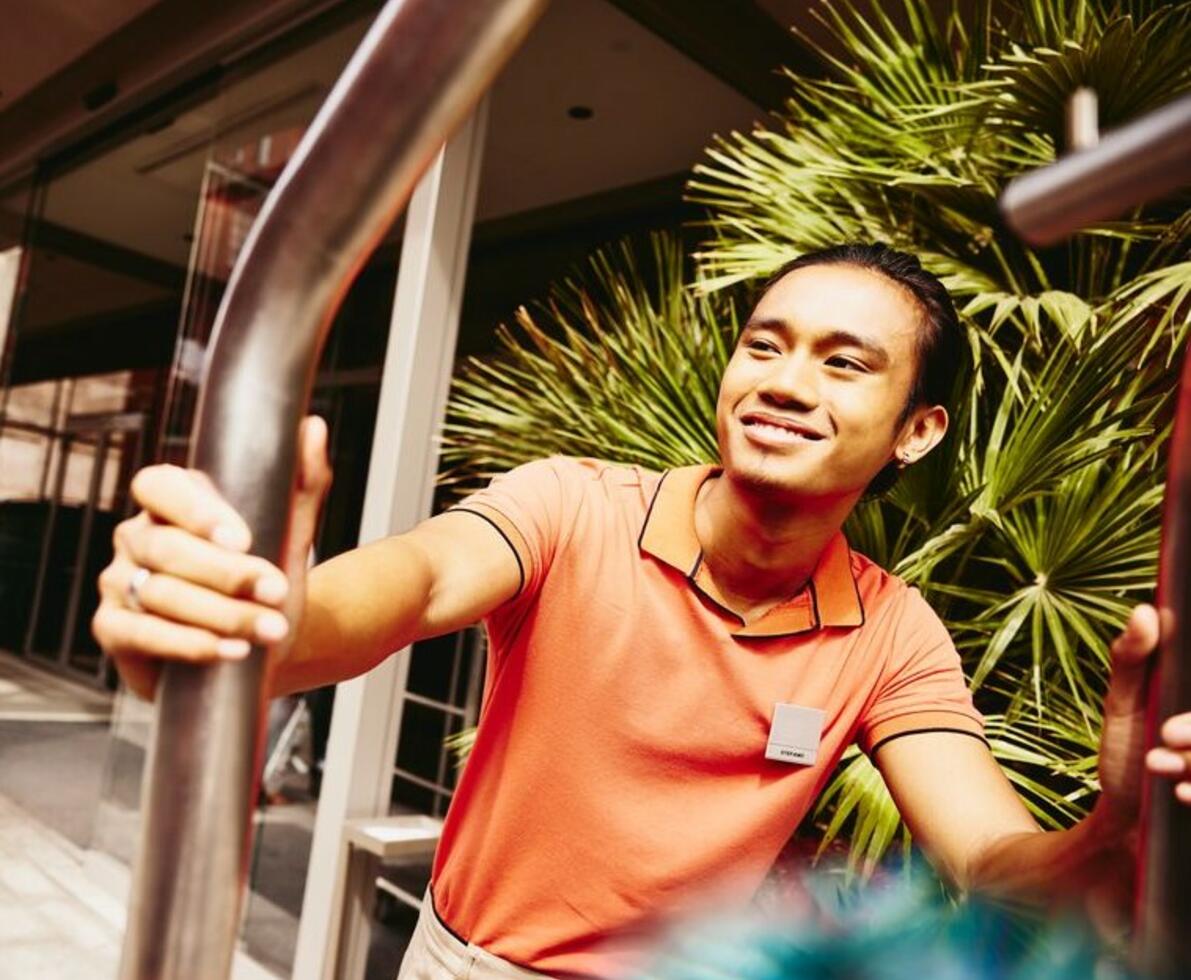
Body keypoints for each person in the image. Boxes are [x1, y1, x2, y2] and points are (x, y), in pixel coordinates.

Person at [94, 244, 1191, 979]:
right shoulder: (571, 503)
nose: (783, 379)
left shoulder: (893, 629)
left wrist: (1117, 834)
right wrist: (259, 618)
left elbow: (991, 853)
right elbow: (414, 583)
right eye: (764, 343)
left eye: (844, 362)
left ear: (916, 430)